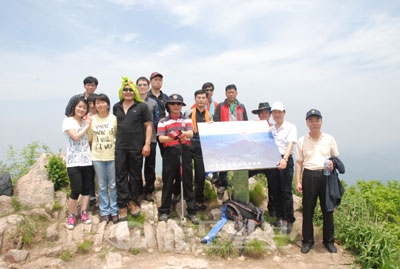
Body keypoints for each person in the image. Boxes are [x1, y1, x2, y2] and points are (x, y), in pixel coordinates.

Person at [296, 109, 339, 254]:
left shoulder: (329, 139)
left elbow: (335, 158)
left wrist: (333, 163)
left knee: (328, 209)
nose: (314, 123)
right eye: (311, 120)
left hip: (326, 175)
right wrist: (298, 181)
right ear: (307, 123)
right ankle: (307, 241)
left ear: (321, 121)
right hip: (309, 175)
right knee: (308, 209)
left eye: (317, 120)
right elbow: (299, 163)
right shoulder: (302, 141)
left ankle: (329, 241)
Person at [113, 77, 153, 221]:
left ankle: (133, 202)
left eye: (130, 89)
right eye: (125, 89)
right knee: (121, 175)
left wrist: (147, 144)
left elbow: (149, 125)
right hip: (120, 146)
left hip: (136, 146)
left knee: (135, 175)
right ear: (121, 91)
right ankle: (122, 204)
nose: (128, 92)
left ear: (134, 91)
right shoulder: (116, 107)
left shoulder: (141, 106)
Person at [157, 94, 199, 224]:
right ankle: (164, 211)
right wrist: (173, 137)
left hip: (185, 150)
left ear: (181, 106)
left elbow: (190, 133)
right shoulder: (163, 121)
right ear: (168, 105)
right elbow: (161, 138)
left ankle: (191, 211)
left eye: (178, 104)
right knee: (168, 181)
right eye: (173, 103)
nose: (176, 106)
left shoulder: (186, 119)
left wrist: (178, 133)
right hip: (170, 152)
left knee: (187, 181)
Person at [88, 93, 119, 224]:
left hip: (112, 155)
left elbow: (117, 136)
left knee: (113, 185)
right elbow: (90, 139)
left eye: (103, 102)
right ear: (94, 105)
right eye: (98, 103)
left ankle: (115, 210)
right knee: (101, 185)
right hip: (97, 156)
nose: (100, 105)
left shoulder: (114, 119)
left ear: (108, 104)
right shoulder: (91, 120)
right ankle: (104, 211)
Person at [62, 96, 93, 230]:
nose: (81, 109)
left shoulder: (85, 121)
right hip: (73, 161)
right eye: (79, 107)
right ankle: (71, 215)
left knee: (86, 188)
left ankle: (84, 212)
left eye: (84, 108)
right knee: (76, 189)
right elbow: (75, 137)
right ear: (74, 107)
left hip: (86, 159)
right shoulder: (68, 121)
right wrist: (86, 126)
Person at [213, 84, 248, 196]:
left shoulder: (241, 106)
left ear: (236, 93)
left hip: (238, 139)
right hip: (225, 138)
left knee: (238, 161)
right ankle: (222, 184)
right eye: (229, 92)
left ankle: (237, 185)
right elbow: (216, 120)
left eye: (233, 92)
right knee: (224, 161)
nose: (231, 94)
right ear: (226, 94)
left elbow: (246, 121)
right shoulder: (220, 106)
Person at [269, 101, 297, 235]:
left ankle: (288, 219)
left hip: (284, 159)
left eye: (279, 112)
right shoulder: (272, 129)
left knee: (286, 191)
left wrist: (285, 159)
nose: (276, 114)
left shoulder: (290, 127)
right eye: (274, 112)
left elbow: (290, 144)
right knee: (275, 190)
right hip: (273, 160)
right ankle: (279, 217)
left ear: (284, 113)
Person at [184, 89, 213, 210]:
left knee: (200, 174)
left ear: (207, 100)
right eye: (198, 98)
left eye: (203, 98)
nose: (201, 100)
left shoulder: (209, 115)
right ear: (195, 99)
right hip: (189, 144)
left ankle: (199, 199)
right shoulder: (188, 113)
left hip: (202, 146)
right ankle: (188, 199)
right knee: (187, 172)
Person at [248, 102, 277, 217]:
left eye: (266, 112)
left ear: (269, 114)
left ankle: (272, 210)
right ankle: (241, 203)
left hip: (270, 162)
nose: (264, 114)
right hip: (256, 161)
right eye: (261, 112)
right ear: (258, 114)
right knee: (241, 176)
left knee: (273, 186)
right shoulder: (253, 127)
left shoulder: (274, 128)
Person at [136, 76, 159, 202]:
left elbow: (155, 120)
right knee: (136, 166)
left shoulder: (153, 103)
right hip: (136, 138)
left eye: (145, 84)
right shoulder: (133, 102)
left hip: (152, 138)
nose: (143, 86)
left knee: (150, 165)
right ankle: (138, 190)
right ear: (137, 86)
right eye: (140, 84)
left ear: (148, 86)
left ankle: (149, 190)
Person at [86, 93, 98, 207]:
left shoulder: (103, 116)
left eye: (94, 103)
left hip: (100, 149)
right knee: (90, 174)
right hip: (88, 149)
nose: (92, 105)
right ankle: (91, 195)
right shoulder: (86, 117)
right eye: (90, 103)